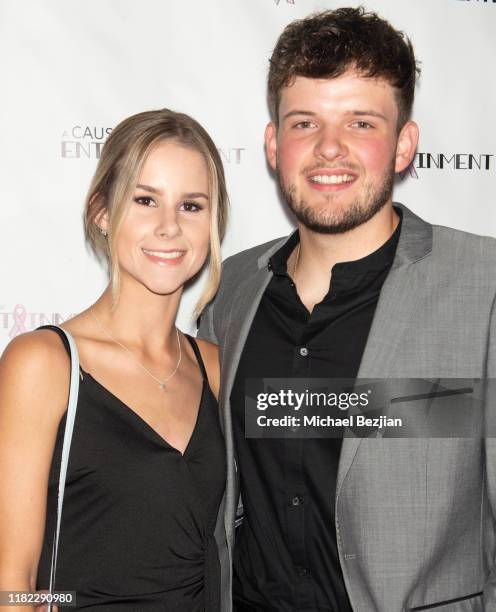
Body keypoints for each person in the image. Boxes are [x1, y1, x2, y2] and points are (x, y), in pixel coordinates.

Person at [198, 7, 496, 612]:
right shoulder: (228, 295)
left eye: (361, 122)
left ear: (405, 144)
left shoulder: (482, 287)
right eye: (305, 122)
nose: (329, 148)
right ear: (274, 144)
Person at [0, 109, 229, 611]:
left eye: (191, 206)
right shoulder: (45, 363)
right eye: (145, 200)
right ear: (103, 211)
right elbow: (11, 582)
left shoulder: (215, 368)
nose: (168, 227)